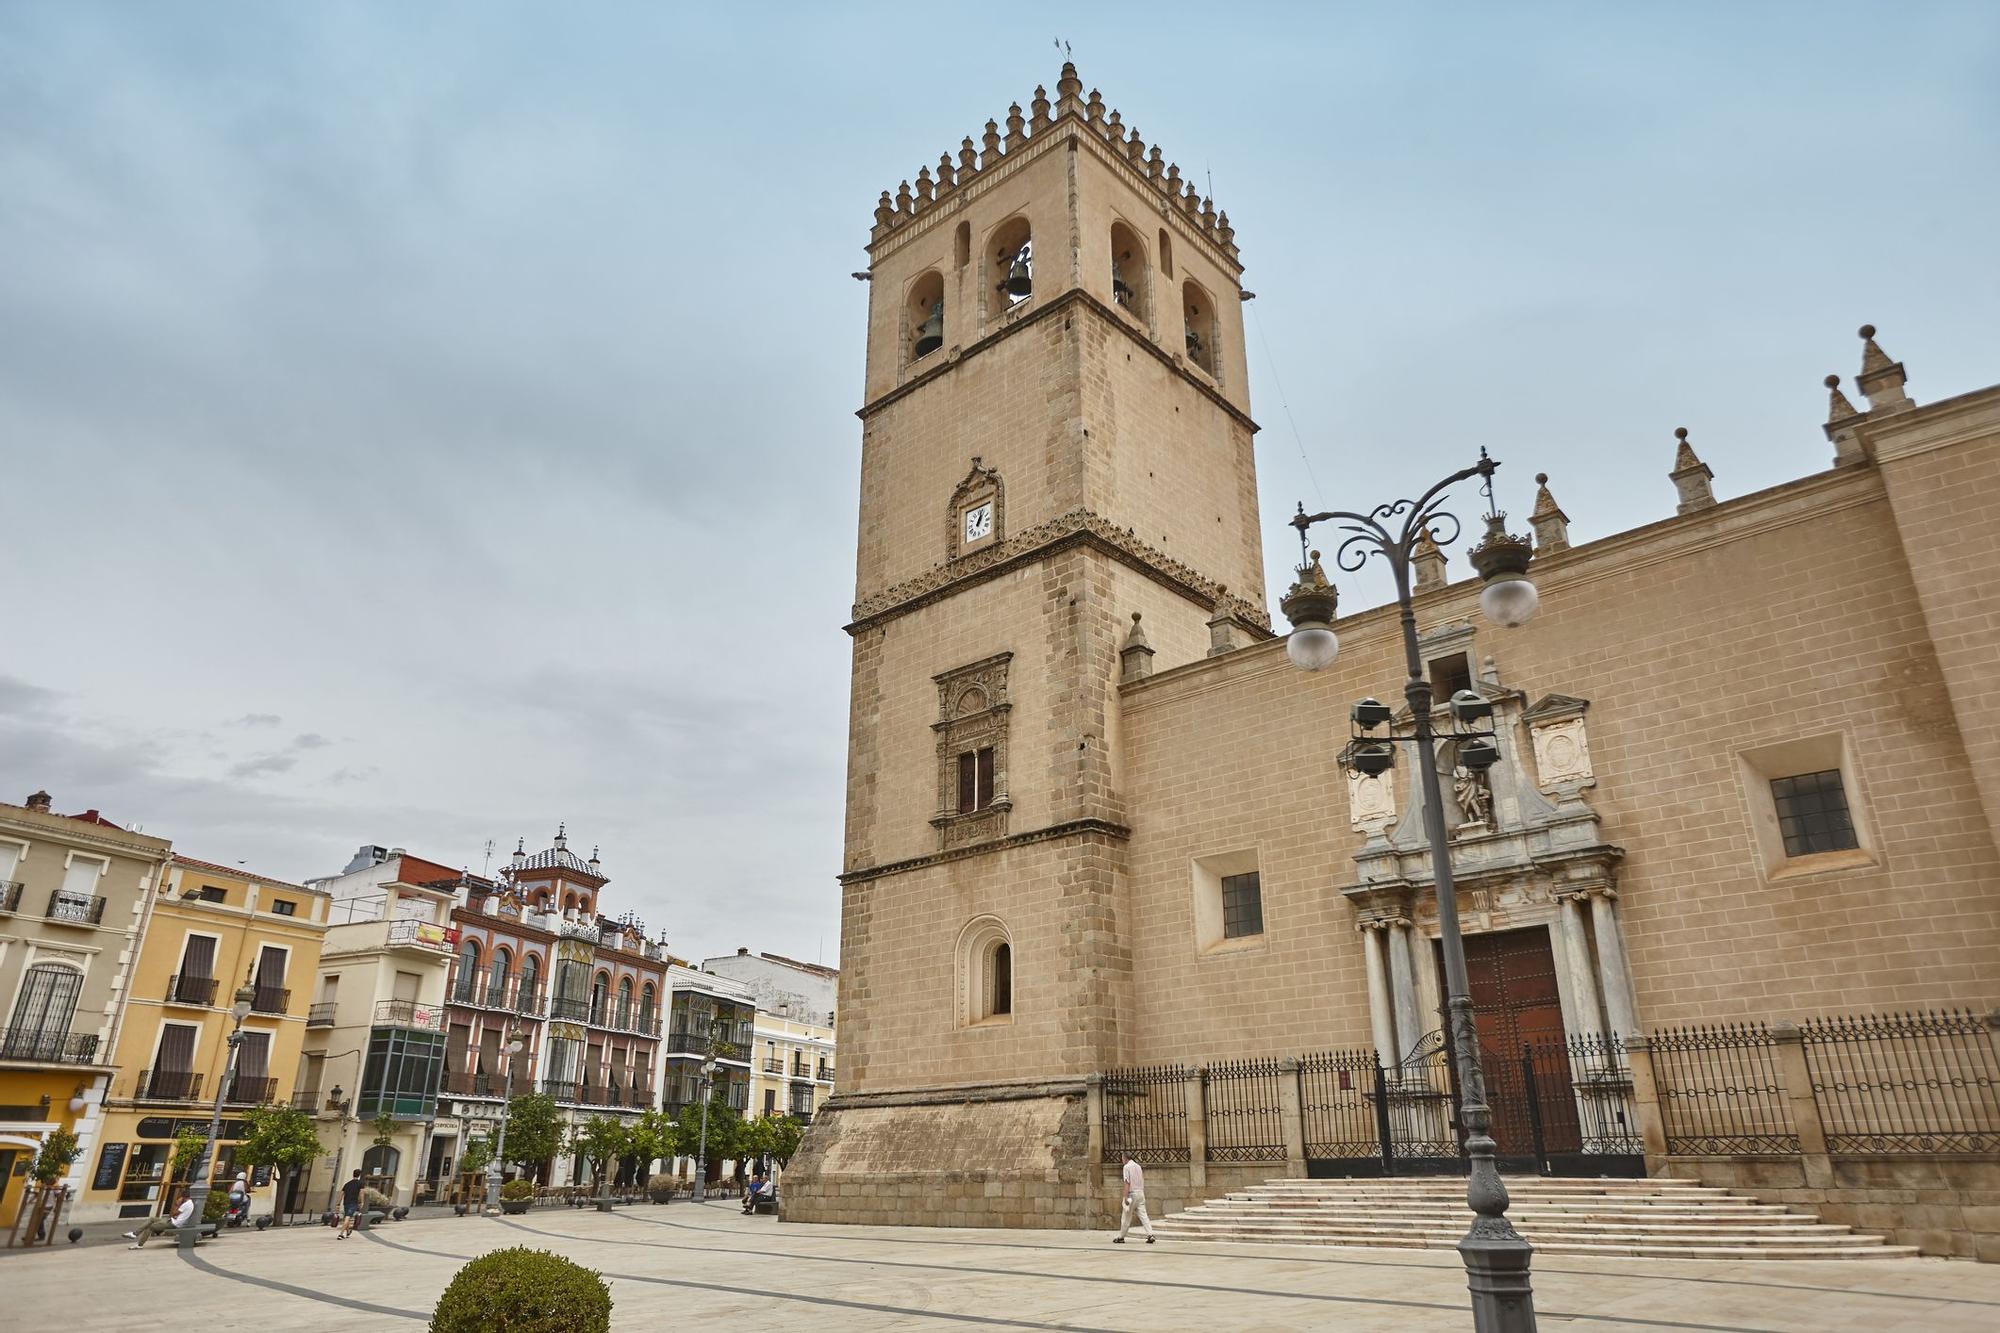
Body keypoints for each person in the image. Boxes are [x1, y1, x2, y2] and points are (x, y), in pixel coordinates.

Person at [126, 1190, 196, 1248]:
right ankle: (134, 1234)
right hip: (172, 1221)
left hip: (173, 1224)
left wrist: (177, 1204)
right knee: (152, 1219)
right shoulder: (189, 1203)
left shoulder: (186, 1204)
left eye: (181, 1197)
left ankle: (139, 1245)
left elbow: (173, 1213)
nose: (180, 1198)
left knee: (151, 1227)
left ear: (183, 1197)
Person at [1113, 1153, 1154, 1244]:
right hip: (1140, 1193)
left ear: (1124, 1158)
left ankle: (1121, 1237)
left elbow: (1127, 1182)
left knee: (1126, 1216)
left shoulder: (1126, 1167)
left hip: (1132, 1194)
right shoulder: (1138, 1166)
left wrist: (1125, 1196)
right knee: (1143, 1215)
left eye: (1122, 1158)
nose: (1121, 1160)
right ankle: (1150, 1234)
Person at [339, 1168, 365, 1237]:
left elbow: (341, 1194)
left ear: (353, 1174)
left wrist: (338, 1203)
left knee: (347, 1217)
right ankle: (341, 1234)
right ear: (359, 1175)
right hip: (353, 1203)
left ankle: (348, 1232)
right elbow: (361, 1193)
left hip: (346, 1203)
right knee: (347, 1218)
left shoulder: (347, 1184)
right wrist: (362, 1202)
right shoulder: (360, 1183)